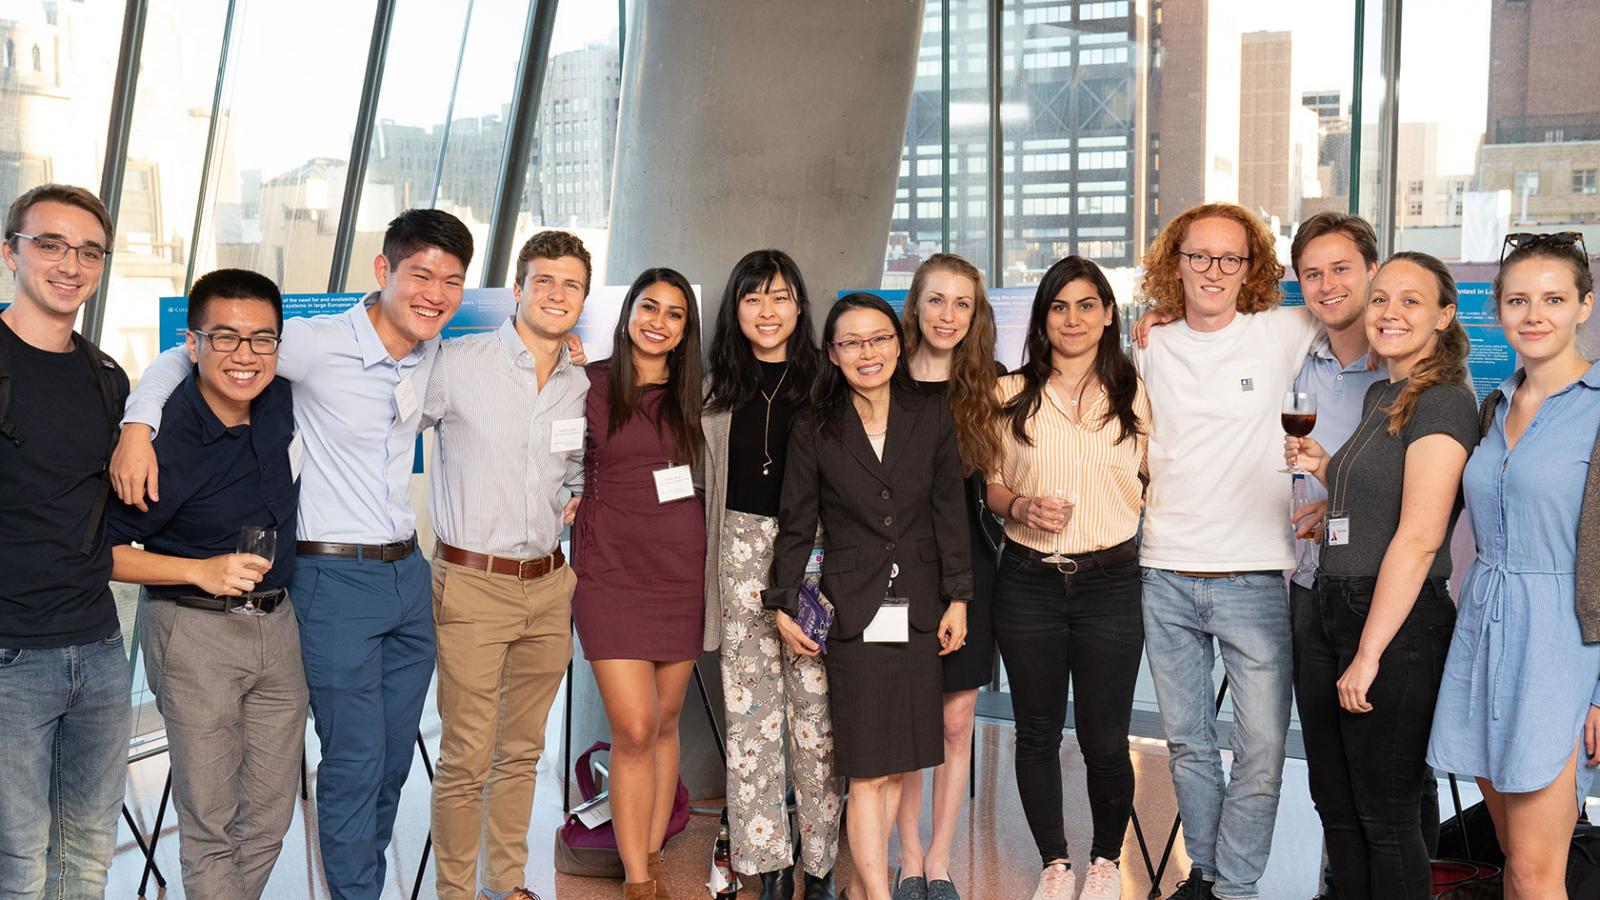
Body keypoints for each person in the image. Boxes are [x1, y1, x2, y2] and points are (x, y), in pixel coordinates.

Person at [113, 208, 474, 899]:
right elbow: (183, 355)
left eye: (451, 281)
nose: (435, 293)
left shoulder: (433, 355)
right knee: (355, 760)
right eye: (421, 274)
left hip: (408, 574)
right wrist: (137, 423)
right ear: (384, 271)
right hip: (334, 575)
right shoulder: (313, 343)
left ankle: (360, 883)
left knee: (393, 759)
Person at [1133, 202, 1319, 900]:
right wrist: (1145, 320)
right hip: (1166, 569)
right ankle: (1206, 877)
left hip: (1255, 574)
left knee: (1263, 749)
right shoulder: (1149, 344)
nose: (1213, 271)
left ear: (1252, 269)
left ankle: (1232, 886)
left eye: (1230, 258)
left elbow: (1356, 304)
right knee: (1186, 745)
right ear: (1174, 263)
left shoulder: (1281, 331)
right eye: (1198, 256)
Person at [106, 268, 304, 899]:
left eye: (261, 340)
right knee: (210, 822)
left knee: (270, 817)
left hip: (279, 626)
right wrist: (199, 569)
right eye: (225, 338)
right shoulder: (161, 439)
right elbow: (101, 555)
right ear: (194, 344)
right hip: (193, 632)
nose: (244, 356)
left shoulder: (277, 400)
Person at [765, 293, 972, 900]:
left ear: (897, 343)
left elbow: (947, 512)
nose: (867, 352)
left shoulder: (930, 414)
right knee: (868, 767)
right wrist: (781, 598)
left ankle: (863, 888)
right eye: (851, 342)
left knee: (903, 761)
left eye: (878, 338)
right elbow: (797, 521)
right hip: (854, 610)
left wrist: (958, 596)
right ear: (832, 353)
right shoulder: (814, 424)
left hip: (919, 608)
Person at [1285, 251, 1477, 899]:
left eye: (1411, 301)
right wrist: (1328, 480)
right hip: (1330, 607)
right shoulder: (1383, 392)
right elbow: (1384, 494)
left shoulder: (1445, 402)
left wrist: (1368, 655)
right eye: (1381, 298)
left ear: (1445, 316)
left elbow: (1421, 536)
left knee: (1385, 818)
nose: (1389, 313)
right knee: (1336, 809)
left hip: (1392, 625)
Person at [421, 231, 592, 900]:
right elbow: (383, 425)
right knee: (466, 755)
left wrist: (582, 489)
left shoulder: (581, 383)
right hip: (471, 584)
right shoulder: (458, 362)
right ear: (516, 290)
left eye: (570, 284)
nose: (556, 294)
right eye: (543, 281)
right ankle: (456, 893)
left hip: (550, 585)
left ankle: (506, 885)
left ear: (581, 298)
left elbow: (578, 468)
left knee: (522, 752)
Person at [1429, 232, 1600, 899]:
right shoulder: (1492, 406)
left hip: (1562, 644)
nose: (1535, 314)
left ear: (1584, 306)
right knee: (1511, 862)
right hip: (1484, 633)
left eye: (1554, 298)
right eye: (1519, 299)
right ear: (1497, 309)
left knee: (1535, 874)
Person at [984, 256, 1150, 900]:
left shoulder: (1134, 392)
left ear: (1109, 314)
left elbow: (1158, 480)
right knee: (1037, 731)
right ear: (1043, 317)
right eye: (1060, 306)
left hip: (1112, 582)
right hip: (1028, 581)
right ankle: (1055, 864)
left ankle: (1105, 862)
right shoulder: (1008, 394)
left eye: (1087, 305)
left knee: (1106, 736)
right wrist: (1019, 506)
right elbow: (991, 485)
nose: (1073, 318)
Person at [0, 184, 130, 899]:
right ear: (10, 251)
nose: (68, 263)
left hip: (101, 652)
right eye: (49, 243)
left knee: (85, 861)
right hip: (10, 656)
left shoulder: (106, 378)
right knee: (17, 867)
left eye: (87, 251)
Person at [701, 249, 841, 900]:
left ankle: (819, 865)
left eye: (780, 297)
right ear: (735, 308)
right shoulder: (712, 389)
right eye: (753, 298)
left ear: (799, 306)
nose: (767, 310)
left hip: (811, 555)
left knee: (816, 722)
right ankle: (765, 862)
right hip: (735, 555)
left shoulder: (825, 384)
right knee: (751, 720)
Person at [571, 267, 708, 900]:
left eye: (674, 313)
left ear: (686, 330)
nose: (658, 321)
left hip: (680, 573)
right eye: (648, 307)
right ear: (628, 313)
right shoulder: (589, 384)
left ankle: (650, 848)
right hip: (610, 574)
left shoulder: (699, 395)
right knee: (632, 727)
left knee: (665, 720)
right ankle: (638, 880)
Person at [894, 252, 1003, 900]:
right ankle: (907, 856)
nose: (948, 315)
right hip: (899, 575)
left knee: (956, 723)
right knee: (909, 723)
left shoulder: (985, 389)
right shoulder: (882, 381)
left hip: (970, 575)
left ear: (975, 314)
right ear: (916, 304)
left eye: (962, 303)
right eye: (937, 300)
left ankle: (940, 859)